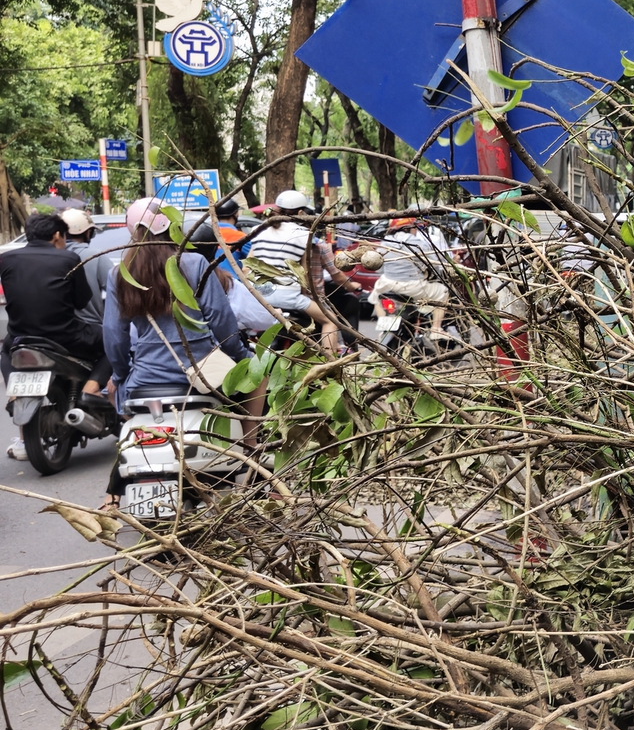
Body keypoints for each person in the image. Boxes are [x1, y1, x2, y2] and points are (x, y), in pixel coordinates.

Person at [100, 199, 252, 508]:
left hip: (145, 378)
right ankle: (250, 454)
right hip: (202, 371)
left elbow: (114, 336)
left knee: (129, 420)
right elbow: (223, 324)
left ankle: (113, 493)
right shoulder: (194, 264)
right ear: (173, 225)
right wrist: (240, 358)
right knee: (258, 377)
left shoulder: (121, 272)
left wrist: (120, 375)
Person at [0, 213, 110, 395]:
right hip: (66, 337)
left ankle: (13, 394)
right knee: (112, 340)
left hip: (19, 337)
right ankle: (92, 386)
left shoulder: (7, 259)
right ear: (57, 235)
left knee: (5, 352)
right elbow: (81, 302)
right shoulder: (68, 259)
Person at [243, 189, 363, 353]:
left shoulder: (259, 229)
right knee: (330, 321)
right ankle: (330, 364)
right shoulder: (305, 235)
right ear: (301, 212)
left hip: (257, 297)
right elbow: (304, 275)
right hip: (289, 298)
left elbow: (245, 268)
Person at [375, 216, 458, 336]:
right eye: (415, 228)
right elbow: (434, 265)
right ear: (409, 229)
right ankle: (436, 329)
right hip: (413, 286)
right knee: (443, 291)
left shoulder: (384, 243)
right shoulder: (418, 244)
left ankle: (384, 330)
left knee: (375, 295)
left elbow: (379, 268)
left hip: (387, 284)